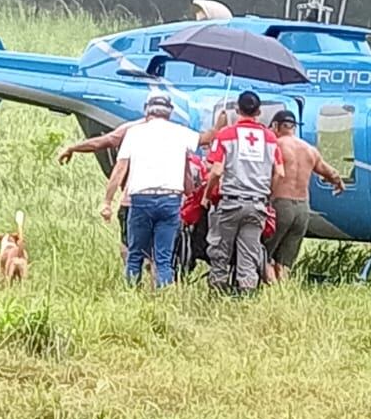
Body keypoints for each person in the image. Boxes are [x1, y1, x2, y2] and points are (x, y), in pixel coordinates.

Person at [101, 94, 199, 287]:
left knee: (135, 254)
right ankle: (163, 296)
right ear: (169, 112)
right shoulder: (181, 132)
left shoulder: (135, 133)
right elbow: (203, 141)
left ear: (147, 110)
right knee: (163, 258)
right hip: (170, 200)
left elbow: (120, 169)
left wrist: (107, 201)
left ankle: (132, 293)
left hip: (141, 200)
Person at [205, 91, 282, 294]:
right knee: (249, 253)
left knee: (220, 251)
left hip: (231, 203)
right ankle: (246, 295)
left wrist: (206, 194)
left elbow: (217, 170)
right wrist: (268, 196)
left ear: (237, 110)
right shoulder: (270, 138)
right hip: (258, 204)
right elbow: (280, 173)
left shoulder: (226, 134)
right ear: (258, 112)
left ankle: (218, 294)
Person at [265, 109, 345, 281]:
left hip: (281, 204)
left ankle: (269, 292)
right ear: (294, 127)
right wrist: (338, 183)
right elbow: (330, 173)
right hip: (302, 209)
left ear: (276, 126)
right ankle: (282, 292)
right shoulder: (309, 150)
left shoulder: (276, 146)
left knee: (264, 254)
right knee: (285, 261)